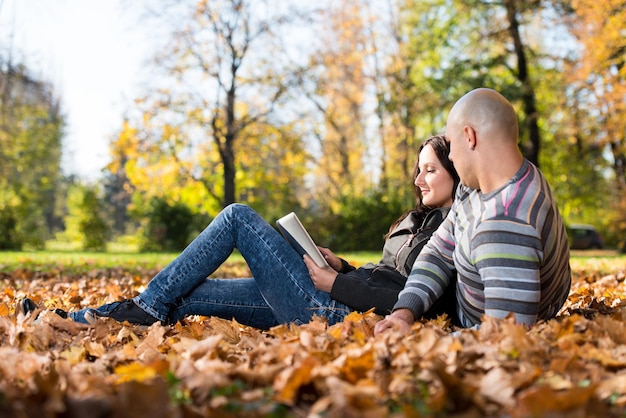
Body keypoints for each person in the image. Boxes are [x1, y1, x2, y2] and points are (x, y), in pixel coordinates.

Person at [20, 135, 460, 330]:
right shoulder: (417, 220)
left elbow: (413, 298)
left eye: (430, 170)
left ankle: (149, 305)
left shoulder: (451, 230)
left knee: (237, 216)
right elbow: (385, 274)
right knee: (191, 294)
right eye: (417, 170)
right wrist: (341, 265)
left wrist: (336, 282)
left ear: (457, 173)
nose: (419, 180)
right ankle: (67, 319)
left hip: (334, 314)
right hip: (332, 296)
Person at [374, 88, 572, 336]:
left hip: (462, 326)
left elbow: (504, 334)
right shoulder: (486, 183)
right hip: (443, 300)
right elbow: (438, 251)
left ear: (469, 137)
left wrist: (419, 341)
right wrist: (404, 312)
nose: (452, 156)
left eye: (451, 145)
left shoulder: (505, 222)